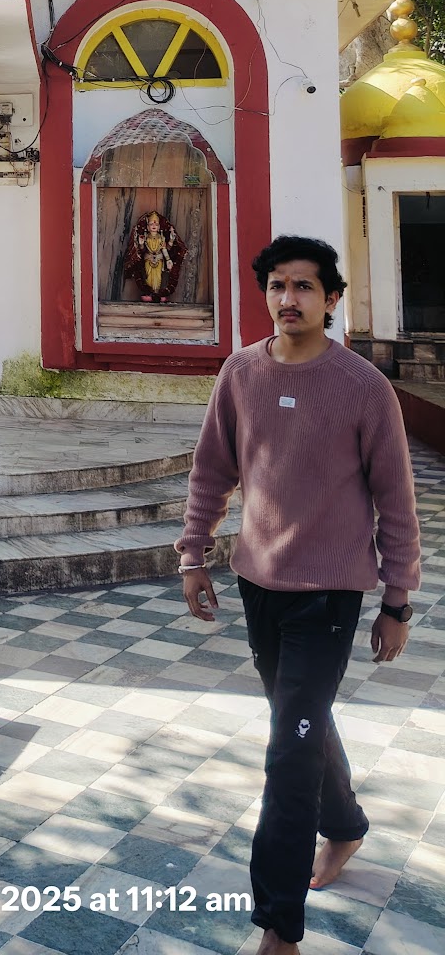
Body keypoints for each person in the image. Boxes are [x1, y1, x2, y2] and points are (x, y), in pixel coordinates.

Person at [177, 236, 420, 955]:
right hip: (260, 584)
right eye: (278, 286)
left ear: (333, 299)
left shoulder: (363, 387)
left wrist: (397, 599)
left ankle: (278, 928)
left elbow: (396, 502)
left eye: (306, 287)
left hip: (332, 593)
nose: (290, 299)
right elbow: (211, 470)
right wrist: (194, 555)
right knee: (300, 722)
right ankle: (344, 825)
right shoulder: (241, 373)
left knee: (288, 756)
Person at [124, 209, 186, 302]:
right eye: (151, 224)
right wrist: (140, 243)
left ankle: (157, 293)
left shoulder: (161, 238)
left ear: (159, 227)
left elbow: (166, 249)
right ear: (148, 227)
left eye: (156, 224)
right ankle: (149, 293)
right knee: (149, 278)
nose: (154, 226)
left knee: (158, 278)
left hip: (159, 259)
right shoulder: (146, 237)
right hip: (148, 259)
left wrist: (169, 257)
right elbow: (142, 250)